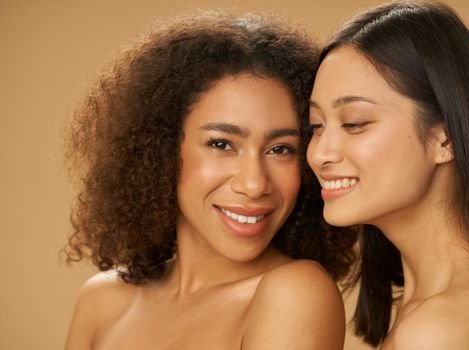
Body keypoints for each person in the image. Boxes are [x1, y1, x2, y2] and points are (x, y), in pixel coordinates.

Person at [63, 12, 357, 349]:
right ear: (161, 150)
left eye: (280, 149)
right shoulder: (102, 300)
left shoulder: (295, 293)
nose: (254, 184)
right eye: (221, 144)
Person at [307, 1, 469, 349]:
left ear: (446, 138)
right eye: (316, 126)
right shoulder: (439, 307)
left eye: (355, 123)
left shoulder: (438, 330)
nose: (319, 154)